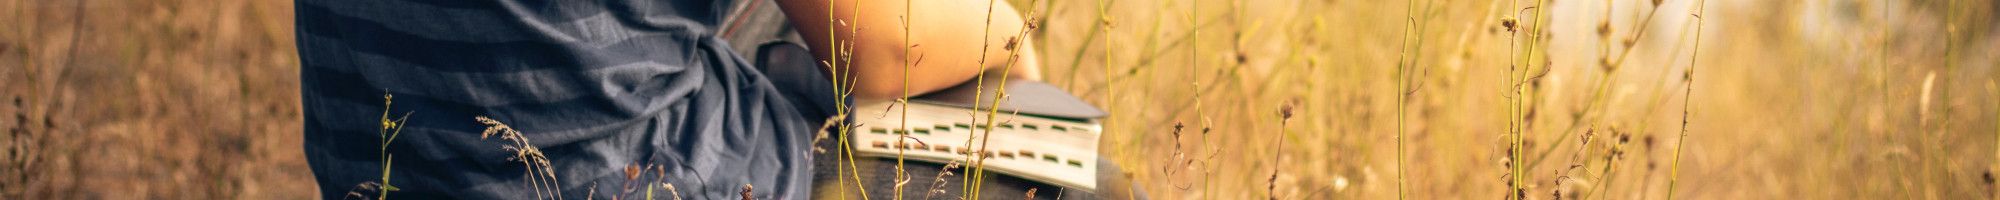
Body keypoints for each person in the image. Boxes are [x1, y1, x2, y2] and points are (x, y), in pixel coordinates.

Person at [297, 0, 1047, 199]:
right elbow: (887, 49)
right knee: (1060, 168)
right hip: (619, 183)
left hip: (384, 162)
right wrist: (1012, 36)